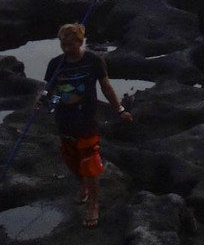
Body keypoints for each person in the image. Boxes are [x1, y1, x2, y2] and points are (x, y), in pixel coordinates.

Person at [36, 23, 133, 228]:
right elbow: (50, 91)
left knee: (89, 165)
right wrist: (43, 102)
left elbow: (106, 87)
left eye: (70, 44)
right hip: (64, 121)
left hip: (86, 121)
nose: (66, 48)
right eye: (63, 44)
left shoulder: (93, 61)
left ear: (80, 42)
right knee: (72, 161)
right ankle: (83, 187)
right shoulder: (56, 64)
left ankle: (94, 205)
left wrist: (120, 110)